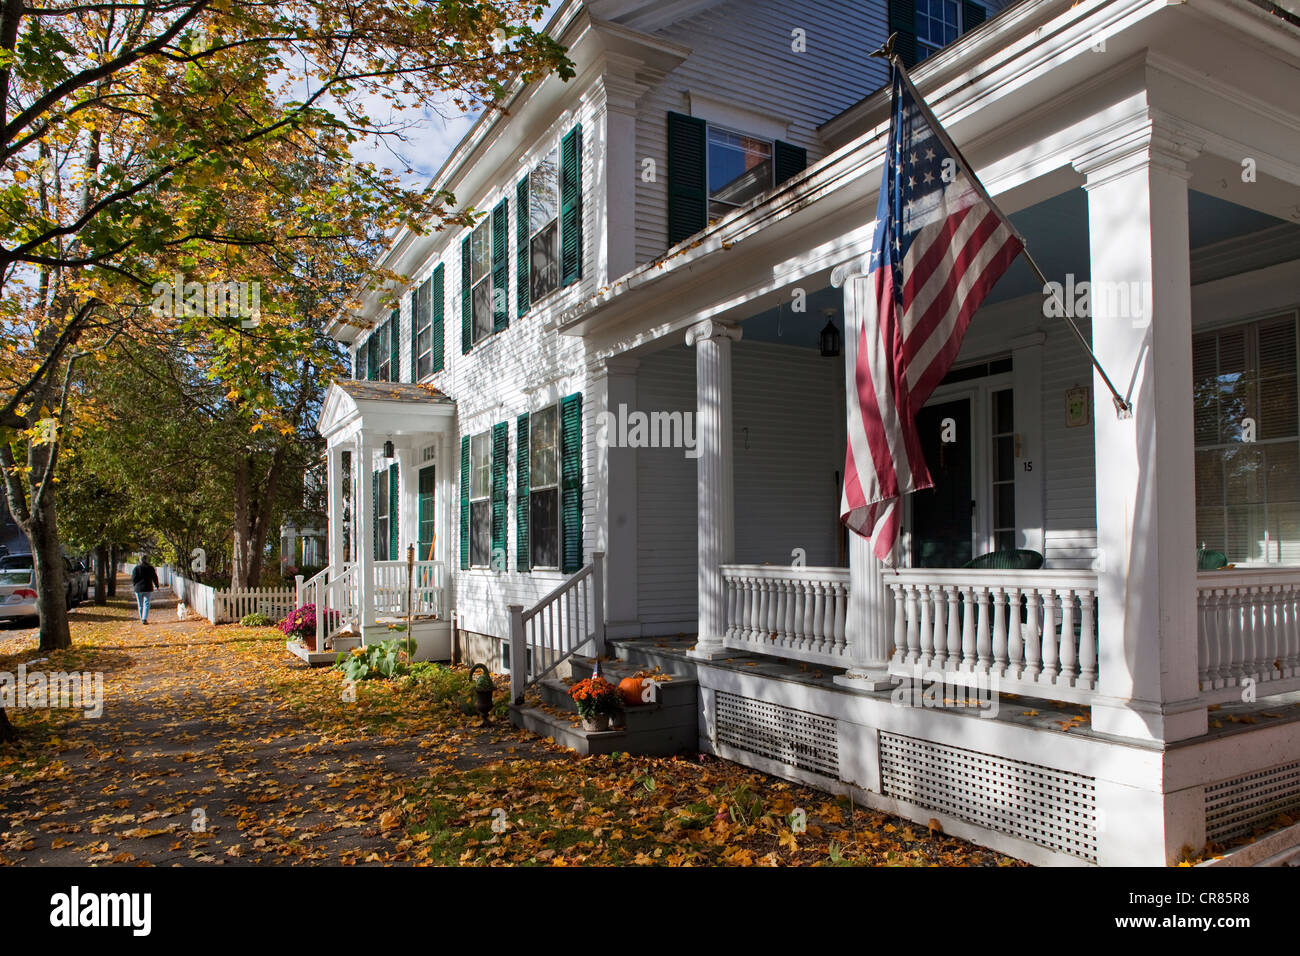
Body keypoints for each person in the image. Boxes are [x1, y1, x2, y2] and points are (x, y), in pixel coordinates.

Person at [131, 556, 160, 624]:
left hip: (138, 589)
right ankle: (144, 618)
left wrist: (135, 585)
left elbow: (133, 578)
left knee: (140, 605)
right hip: (148, 588)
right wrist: (157, 586)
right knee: (146, 604)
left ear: (140, 560)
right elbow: (154, 577)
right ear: (146, 560)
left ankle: (142, 618)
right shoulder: (150, 568)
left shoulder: (136, 568)